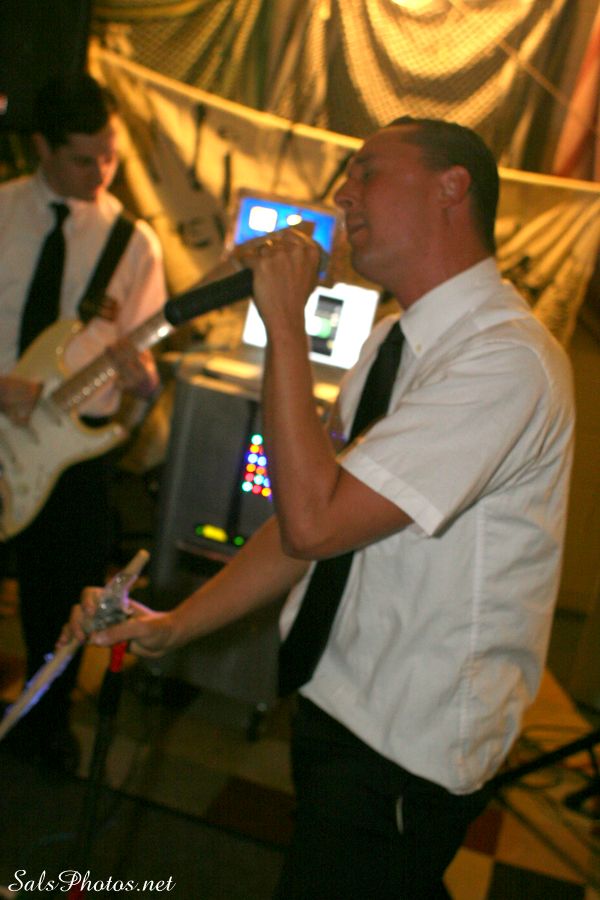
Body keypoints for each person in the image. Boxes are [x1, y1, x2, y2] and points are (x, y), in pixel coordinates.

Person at [64, 117, 574, 896]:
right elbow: (305, 525)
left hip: (406, 744)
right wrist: (177, 625)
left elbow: (313, 521)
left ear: (451, 188)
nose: (343, 193)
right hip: (335, 702)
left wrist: (285, 326)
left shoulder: (505, 360)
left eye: (368, 171)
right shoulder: (393, 339)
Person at [0, 72, 167, 773]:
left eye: (111, 155)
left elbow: (144, 375)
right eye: (82, 158)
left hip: (75, 456)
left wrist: (143, 382)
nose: (100, 173)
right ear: (41, 146)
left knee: (64, 600)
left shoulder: (135, 243)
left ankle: (45, 725)